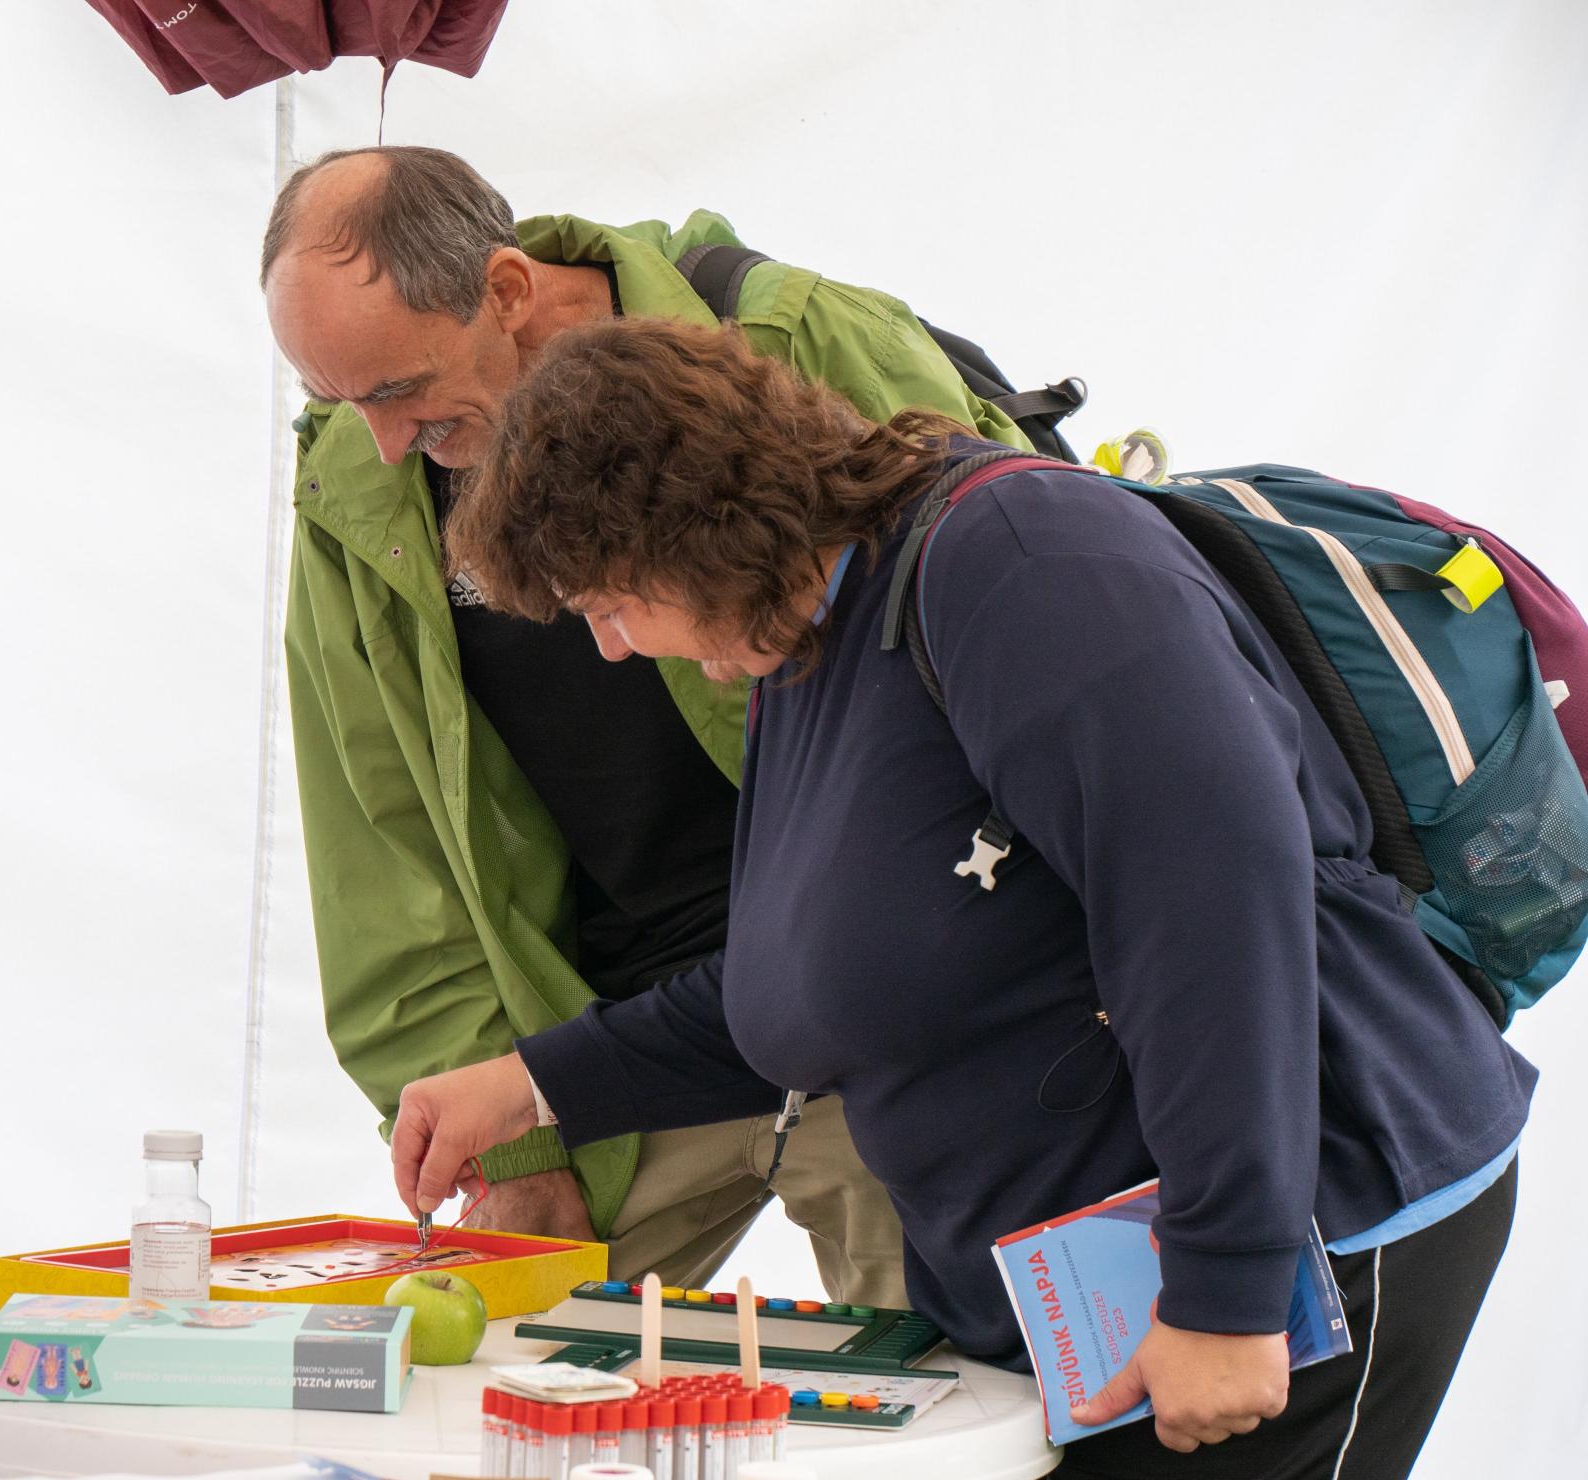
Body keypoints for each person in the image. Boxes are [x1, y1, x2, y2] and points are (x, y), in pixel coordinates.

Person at [390, 317, 1536, 1478]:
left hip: (1306, 1251)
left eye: (608, 602)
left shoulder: (1024, 559)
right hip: (1092, 1299)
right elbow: (831, 985)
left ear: (689, 532)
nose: (614, 647)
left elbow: (1214, 910)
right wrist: (535, 1084)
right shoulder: (807, 637)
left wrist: (1228, 1288)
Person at [260, 144, 1031, 1300]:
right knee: (486, 1373)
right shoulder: (360, 488)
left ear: (507, 288)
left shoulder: (792, 338)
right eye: (337, 401)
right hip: (616, 1059)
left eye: (396, 390)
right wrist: (516, 1142)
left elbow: (1016, 650)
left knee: (950, 1385)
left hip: (884, 1019)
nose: (377, 439)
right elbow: (388, 855)